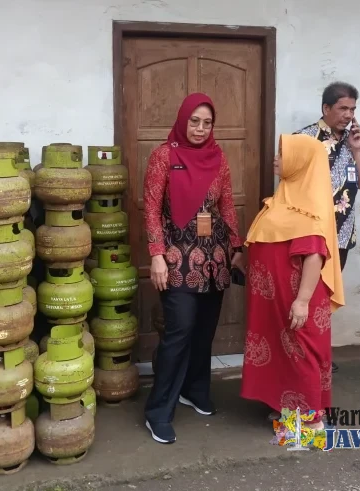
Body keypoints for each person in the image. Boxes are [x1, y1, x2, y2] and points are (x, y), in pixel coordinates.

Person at [142, 93, 244, 444]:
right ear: (183, 120)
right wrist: (156, 254)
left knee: (204, 330)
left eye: (207, 123)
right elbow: (151, 208)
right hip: (176, 255)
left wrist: (236, 247)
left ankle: (194, 389)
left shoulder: (218, 157)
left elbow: (226, 205)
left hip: (214, 256)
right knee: (180, 330)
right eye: (194, 121)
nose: (200, 129)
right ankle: (158, 411)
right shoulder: (163, 156)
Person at [240, 133, 345, 429]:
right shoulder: (284, 199)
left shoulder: (308, 208)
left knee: (301, 353)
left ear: (301, 162)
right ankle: (287, 407)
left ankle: (310, 424)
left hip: (297, 297)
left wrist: (302, 301)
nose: (276, 159)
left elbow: (314, 256)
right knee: (282, 352)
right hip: (275, 298)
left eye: (283, 154)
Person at [295, 81, 360, 373]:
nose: (348, 115)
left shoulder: (352, 139)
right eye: (342, 108)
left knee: (326, 298)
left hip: (342, 235)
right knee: (305, 296)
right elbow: (291, 186)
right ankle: (301, 355)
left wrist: (357, 151)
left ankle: (319, 353)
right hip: (312, 235)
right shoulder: (304, 139)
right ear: (326, 108)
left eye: (352, 109)